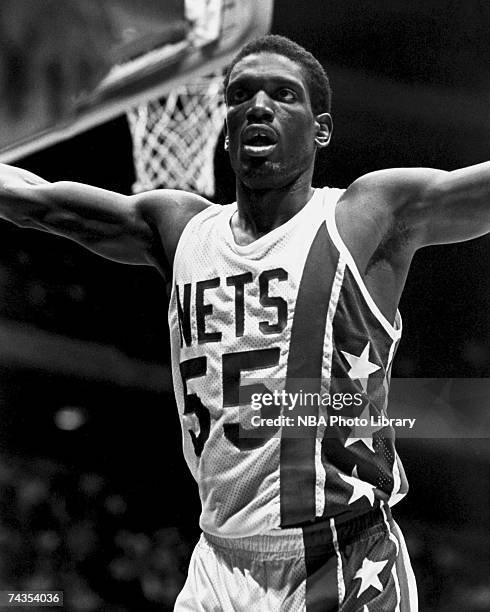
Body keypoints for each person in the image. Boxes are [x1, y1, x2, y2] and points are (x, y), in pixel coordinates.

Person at [0, 34, 488, 611]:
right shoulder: (179, 226)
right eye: (240, 95)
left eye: (283, 94)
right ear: (225, 126)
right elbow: (43, 202)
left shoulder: (366, 213)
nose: (258, 105)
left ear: (321, 130)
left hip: (344, 556)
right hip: (218, 561)